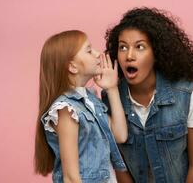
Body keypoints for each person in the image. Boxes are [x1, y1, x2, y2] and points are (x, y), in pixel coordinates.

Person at [102, 7, 193, 183]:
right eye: (123, 47)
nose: (129, 56)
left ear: (156, 53)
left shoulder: (187, 94)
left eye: (139, 47)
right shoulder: (110, 98)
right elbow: (119, 166)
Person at [34, 30, 129, 183]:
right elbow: (71, 178)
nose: (98, 53)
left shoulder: (90, 101)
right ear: (72, 67)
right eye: (89, 50)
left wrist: (112, 88)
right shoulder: (66, 109)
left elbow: (120, 135)